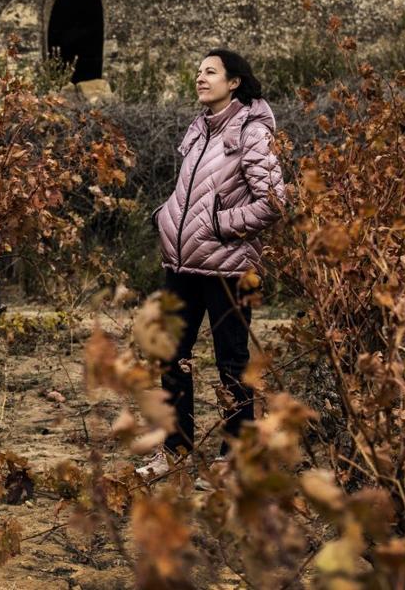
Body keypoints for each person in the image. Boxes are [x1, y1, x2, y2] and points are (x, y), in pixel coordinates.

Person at [138, 49, 285, 484]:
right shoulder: (200, 129)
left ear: (234, 82)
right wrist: (164, 217)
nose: (200, 78)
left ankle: (234, 458)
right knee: (171, 358)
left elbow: (273, 203)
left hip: (228, 268)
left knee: (232, 363)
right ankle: (175, 450)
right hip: (182, 266)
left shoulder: (252, 133)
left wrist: (220, 225)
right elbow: (190, 193)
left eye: (211, 72)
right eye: (198, 71)